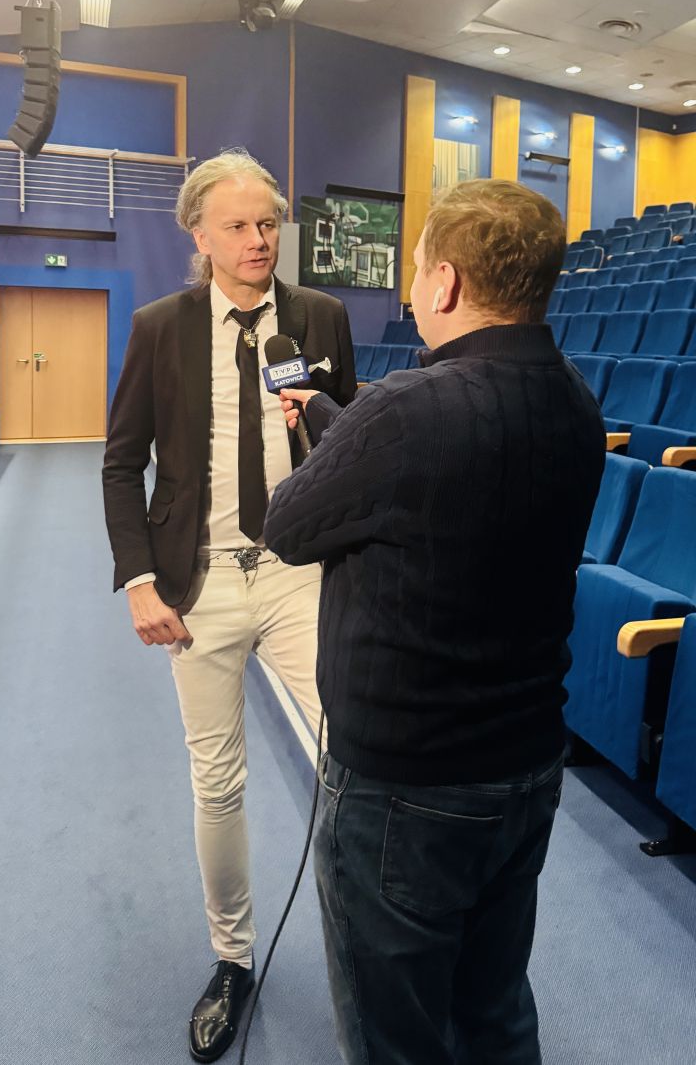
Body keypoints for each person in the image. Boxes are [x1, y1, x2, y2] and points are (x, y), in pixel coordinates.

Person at [264, 179, 607, 1065]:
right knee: (495, 1009)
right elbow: (440, 479)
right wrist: (332, 415)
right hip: (524, 770)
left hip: (403, 792)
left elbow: (288, 526)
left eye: (417, 265)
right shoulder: (577, 401)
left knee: (399, 1037)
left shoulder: (403, 409)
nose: (414, 283)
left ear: (446, 281)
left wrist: (336, 427)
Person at [102, 149, 356, 1063]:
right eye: (239, 225)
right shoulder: (159, 327)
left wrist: (317, 425)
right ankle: (233, 958)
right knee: (218, 782)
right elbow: (120, 462)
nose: (259, 240)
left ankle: (362, 937)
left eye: (269, 223)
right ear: (199, 234)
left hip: (297, 571)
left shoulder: (321, 317)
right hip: (197, 582)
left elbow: (353, 446)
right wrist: (139, 578)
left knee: (353, 754)